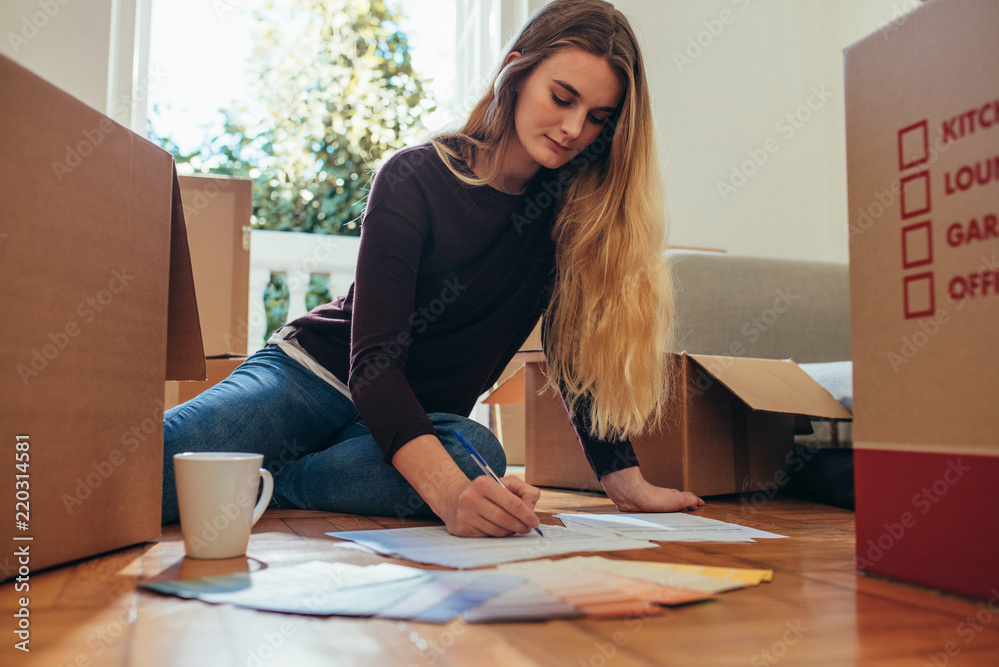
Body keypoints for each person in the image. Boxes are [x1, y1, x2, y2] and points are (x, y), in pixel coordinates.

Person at [161, 0, 704, 538]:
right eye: (562, 98)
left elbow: (575, 356)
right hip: (313, 378)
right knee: (151, 469)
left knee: (480, 459)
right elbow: (373, 364)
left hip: (412, 425)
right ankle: (278, 469)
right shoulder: (414, 176)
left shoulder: (570, 220)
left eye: (597, 119)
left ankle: (277, 479)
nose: (572, 128)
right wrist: (446, 494)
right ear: (516, 71)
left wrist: (623, 482)